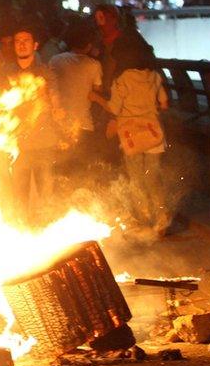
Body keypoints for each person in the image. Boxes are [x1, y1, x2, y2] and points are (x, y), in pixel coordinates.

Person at [0, 25, 64, 224]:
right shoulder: (5, 73)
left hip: (44, 145)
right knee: (19, 198)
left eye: (26, 40)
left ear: (35, 45)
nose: (21, 44)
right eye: (17, 41)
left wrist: (59, 114)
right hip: (17, 147)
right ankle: (22, 233)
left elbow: (55, 101)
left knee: (46, 199)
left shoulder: (45, 72)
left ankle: (46, 237)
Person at [90, 42, 170, 234]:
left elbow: (114, 108)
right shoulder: (154, 76)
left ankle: (144, 219)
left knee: (137, 178)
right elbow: (164, 104)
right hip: (153, 134)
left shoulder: (122, 80)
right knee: (153, 178)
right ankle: (162, 218)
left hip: (131, 136)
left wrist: (95, 98)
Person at [49, 21, 103, 167]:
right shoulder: (94, 65)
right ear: (89, 45)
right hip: (84, 125)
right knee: (81, 173)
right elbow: (97, 91)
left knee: (61, 172)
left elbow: (50, 86)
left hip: (58, 125)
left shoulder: (55, 60)